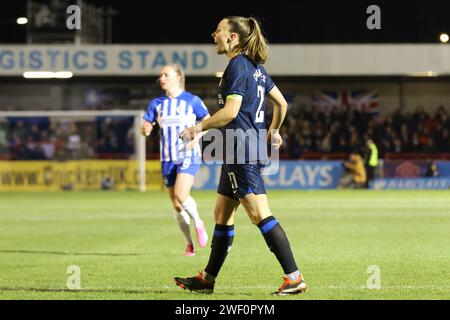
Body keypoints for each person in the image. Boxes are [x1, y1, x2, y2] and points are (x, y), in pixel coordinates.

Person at [174, 16, 307, 295]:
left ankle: (294, 277)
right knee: (221, 214)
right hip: (242, 148)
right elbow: (281, 103)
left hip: (242, 151)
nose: (214, 34)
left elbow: (231, 113)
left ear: (233, 37)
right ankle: (207, 279)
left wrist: (197, 128)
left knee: (260, 214)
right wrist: (272, 130)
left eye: (219, 30)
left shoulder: (237, 66)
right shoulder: (256, 69)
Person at [141, 64, 210, 256]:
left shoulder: (191, 100)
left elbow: (208, 120)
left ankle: (199, 222)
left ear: (178, 77)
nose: (161, 78)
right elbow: (147, 124)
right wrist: (145, 128)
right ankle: (189, 243)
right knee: (177, 205)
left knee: (181, 194)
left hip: (188, 153)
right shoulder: (157, 103)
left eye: (166, 75)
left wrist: (196, 138)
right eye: (160, 75)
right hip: (167, 157)